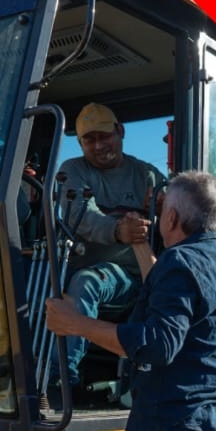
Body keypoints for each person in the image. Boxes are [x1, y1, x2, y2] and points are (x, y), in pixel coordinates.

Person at [47, 170, 216, 431]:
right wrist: (139, 244)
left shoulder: (179, 263)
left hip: (168, 429)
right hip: (213, 428)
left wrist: (76, 324)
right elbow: (173, 297)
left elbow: (158, 345)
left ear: (171, 217)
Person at [51, 102, 164, 401]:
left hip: (131, 276)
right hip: (84, 268)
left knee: (85, 283)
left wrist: (165, 205)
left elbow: (176, 217)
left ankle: (62, 381)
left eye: (105, 136)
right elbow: (80, 215)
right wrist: (118, 230)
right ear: (80, 143)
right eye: (90, 140)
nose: (99, 145)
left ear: (120, 132)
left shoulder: (146, 175)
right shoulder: (72, 171)